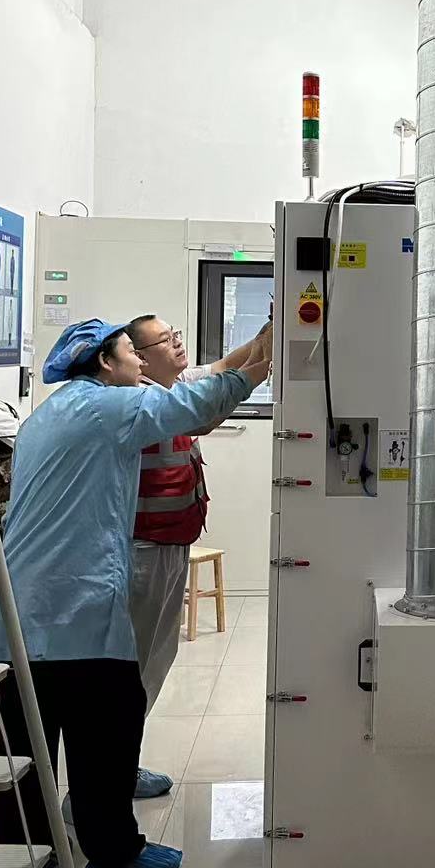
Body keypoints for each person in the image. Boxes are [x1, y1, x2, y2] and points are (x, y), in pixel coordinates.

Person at [0, 318, 270, 868]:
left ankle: (22, 850)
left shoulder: (55, 411)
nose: (140, 361)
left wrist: (262, 345)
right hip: (73, 601)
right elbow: (197, 401)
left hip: (22, 603)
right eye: (131, 353)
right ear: (106, 363)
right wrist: (263, 368)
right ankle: (113, 854)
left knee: (29, 730)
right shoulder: (106, 408)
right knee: (108, 718)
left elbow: (196, 386)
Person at [124, 313, 273, 798]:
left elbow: (224, 367)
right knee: (136, 667)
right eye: (165, 340)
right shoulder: (141, 401)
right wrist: (259, 366)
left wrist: (270, 333)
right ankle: (110, 777)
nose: (177, 343)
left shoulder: (172, 385)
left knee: (154, 660)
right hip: (143, 551)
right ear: (138, 358)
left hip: (168, 546)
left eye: (176, 335)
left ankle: (121, 767)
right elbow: (208, 412)